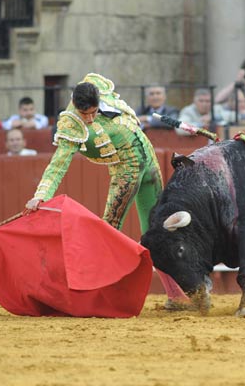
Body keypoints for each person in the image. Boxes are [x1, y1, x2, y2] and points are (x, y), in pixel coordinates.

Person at [23, 73, 191, 310]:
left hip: (149, 160)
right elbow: (58, 164)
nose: (90, 118)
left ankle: (177, 296)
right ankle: (104, 296)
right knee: (108, 230)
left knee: (156, 232)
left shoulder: (97, 86)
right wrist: (41, 195)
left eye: (94, 112)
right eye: (86, 114)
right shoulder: (71, 124)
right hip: (127, 170)